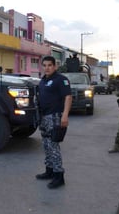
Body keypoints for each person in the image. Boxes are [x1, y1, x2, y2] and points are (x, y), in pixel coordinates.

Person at [36, 56, 72, 189]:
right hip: (44, 117)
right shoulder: (43, 80)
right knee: (46, 144)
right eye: (44, 65)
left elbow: (68, 97)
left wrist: (65, 115)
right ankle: (49, 170)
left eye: (49, 65)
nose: (47, 68)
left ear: (55, 66)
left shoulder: (61, 80)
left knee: (53, 146)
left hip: (55, 116)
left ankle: (59, 175)